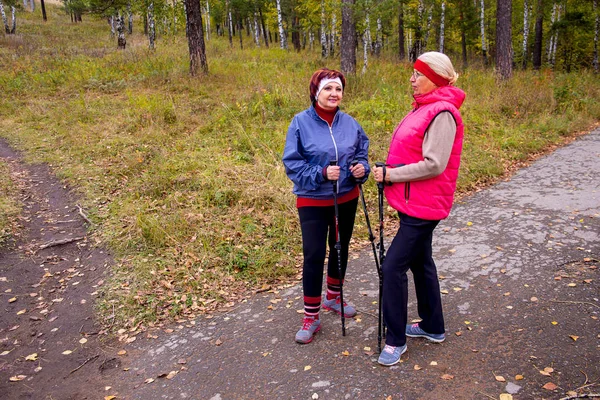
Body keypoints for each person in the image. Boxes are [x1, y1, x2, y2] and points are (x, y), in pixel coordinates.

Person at [372, 52, 465, 366]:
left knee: (393, 266)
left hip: (424, 206)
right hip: (413, 202)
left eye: (417, 74)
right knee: (421, 261)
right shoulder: (425, 107)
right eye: (412, 73)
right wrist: (390, 170)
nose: (411, 79)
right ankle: (432, 326)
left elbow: (434, 164)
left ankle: (395, 340)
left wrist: (391, 175)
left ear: (436, 78)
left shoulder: (442, 113)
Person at [282, 68, 370, 344]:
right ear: (316, 92)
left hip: (346, 196)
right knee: (314, 254)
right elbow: (292, 163)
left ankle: (334, 298)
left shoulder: (350, 123)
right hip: (313, 199)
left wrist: (361, 169)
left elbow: (361, 153)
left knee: (339, 247)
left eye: (339, 89)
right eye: (328, 89)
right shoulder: (300, 122)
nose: (334, 94)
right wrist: (320, 173)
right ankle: (311, 316)